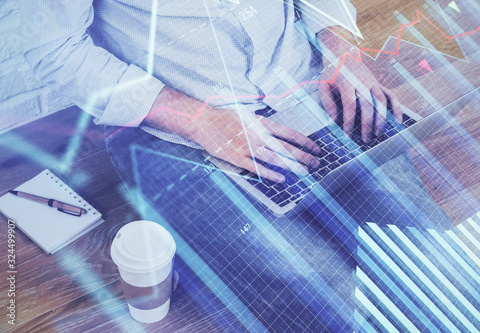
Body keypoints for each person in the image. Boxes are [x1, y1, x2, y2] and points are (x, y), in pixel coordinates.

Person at [21, 0, 451, 331]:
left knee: (437, 269)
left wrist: (342, 51)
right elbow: (52, 49)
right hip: (170, 127)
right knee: (327, 300)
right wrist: (199, 119)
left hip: (306, 84)